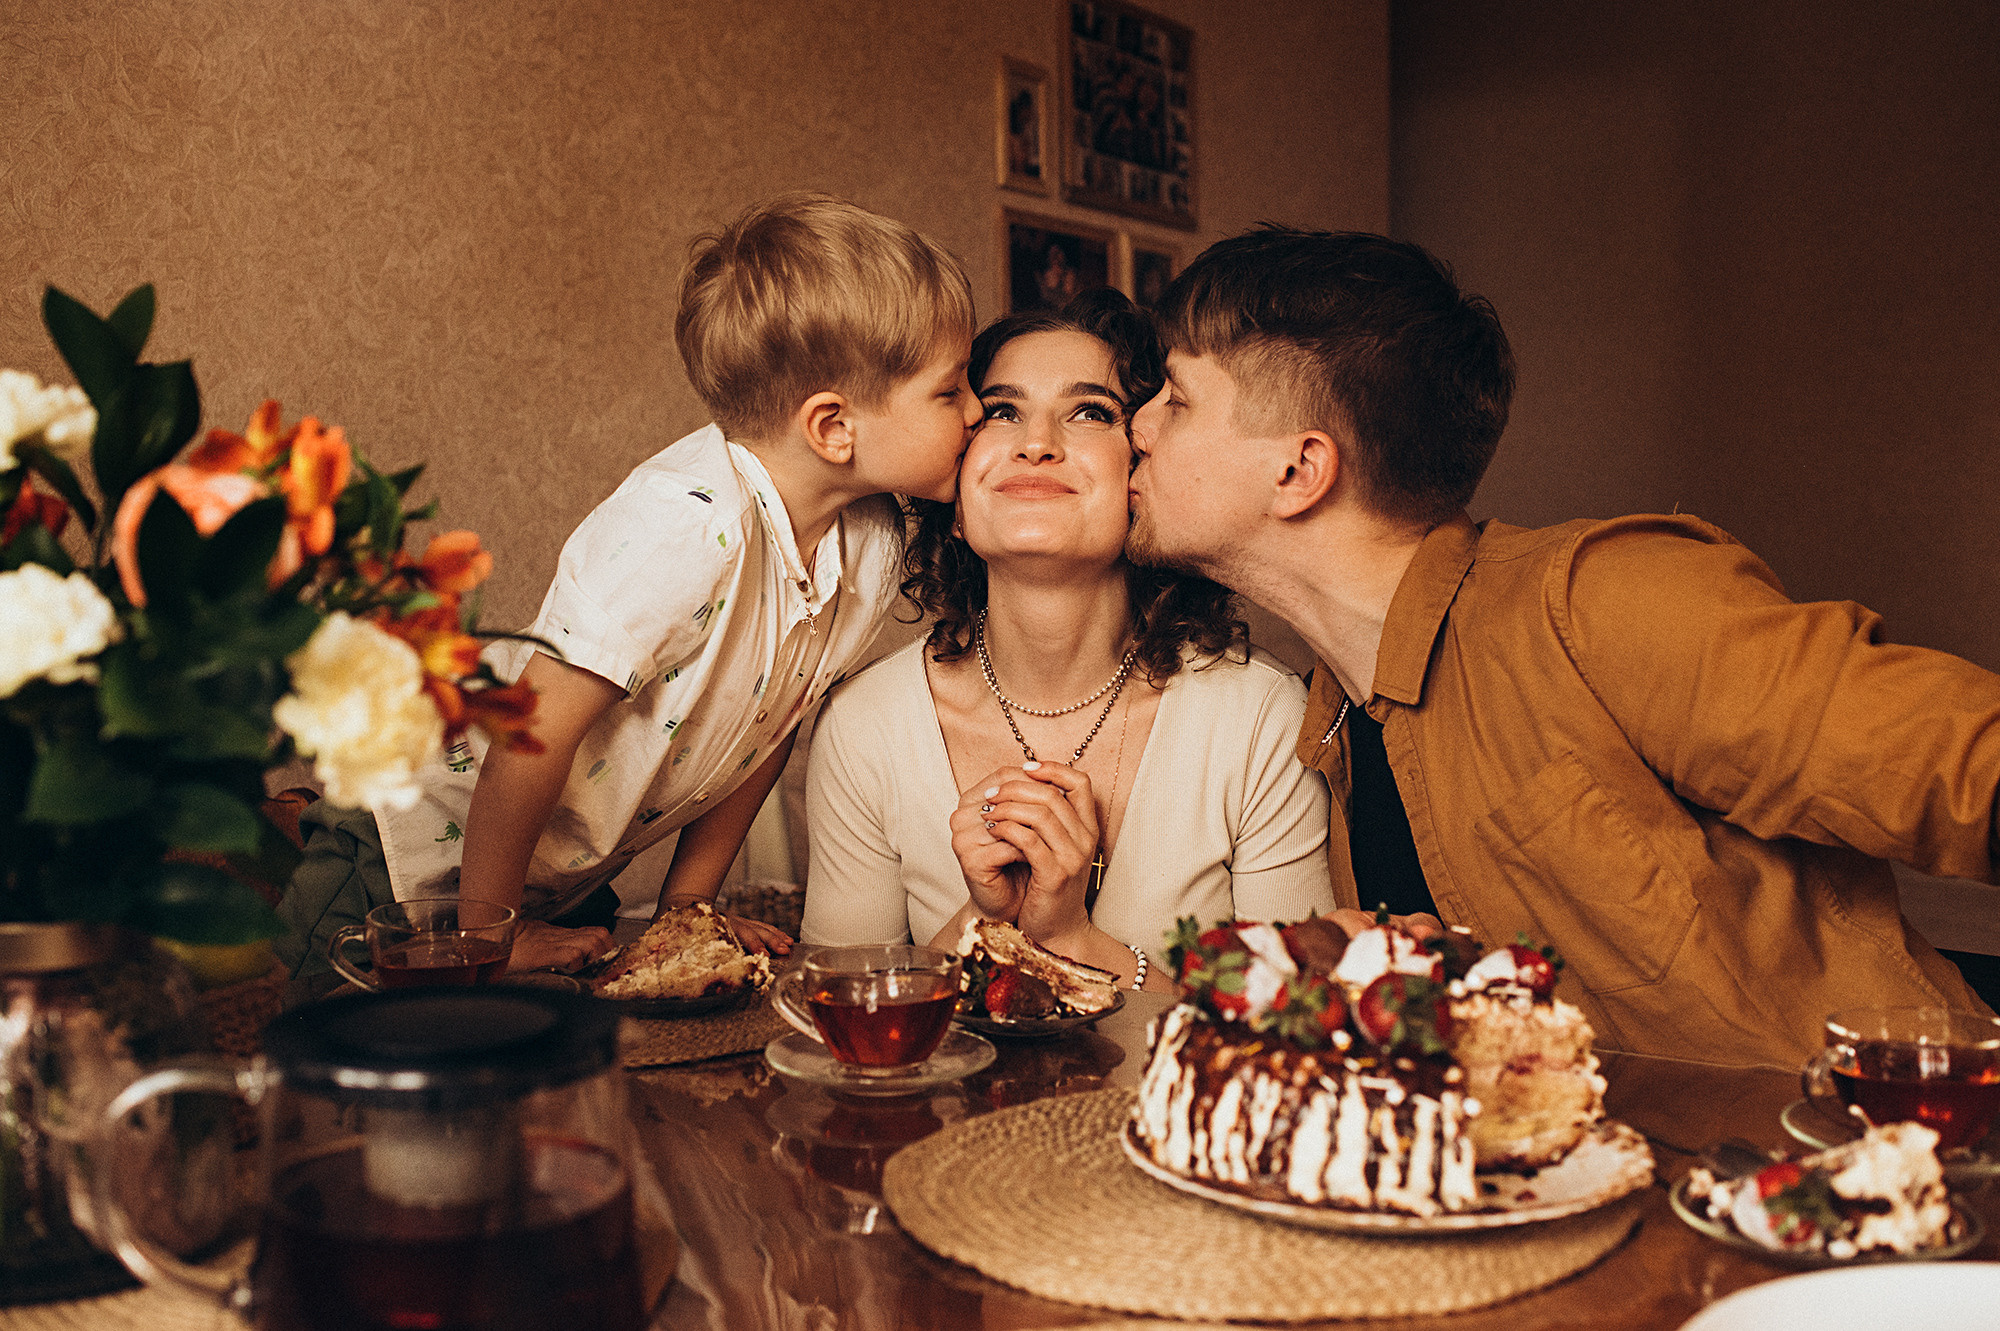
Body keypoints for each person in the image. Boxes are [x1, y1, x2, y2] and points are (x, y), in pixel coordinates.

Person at [1125, 226, 2000, 1067]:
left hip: (1884, 1163)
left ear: (1299, 471)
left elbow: (1967, 764)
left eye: (1177, 398)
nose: (1138, 426)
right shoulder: (1333, 725)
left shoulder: (1598, 603)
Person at [276, 193, 982, 990]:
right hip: (401, 857)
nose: (978, 410)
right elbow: (527, 737)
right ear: (832, 427)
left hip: (551, 879)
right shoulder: (683, 526)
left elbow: (769, 720)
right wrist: (488, 939)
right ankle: (293, 834)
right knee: (328, 1062)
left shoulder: (871, 547)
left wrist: (689, 909)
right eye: (951, 390)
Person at [800, 290, 1333, 988]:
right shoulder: (864, 726)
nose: (1037, 442)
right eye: (1000, 411)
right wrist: (982, 921)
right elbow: (835, 1021)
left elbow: (1307, 1021)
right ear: (955, 501)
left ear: (1143, 474)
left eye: (1089, 412)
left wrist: (1072, 939)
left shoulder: (1262, 718)